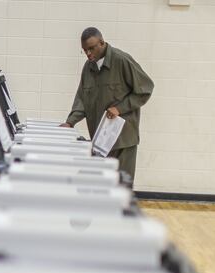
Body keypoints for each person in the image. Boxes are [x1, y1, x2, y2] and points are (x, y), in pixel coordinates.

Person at [60, 27, 154, 181]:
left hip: (123, 141)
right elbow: (82, 99)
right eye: (85, 50)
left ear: (102, 43)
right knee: (101, 186)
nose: (88, 54)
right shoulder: (88, 67)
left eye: (91, 48)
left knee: (121, 186)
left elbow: (145, 89)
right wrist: (70, 122)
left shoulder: (122, 60)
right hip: (102, 141)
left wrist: (120, 108)